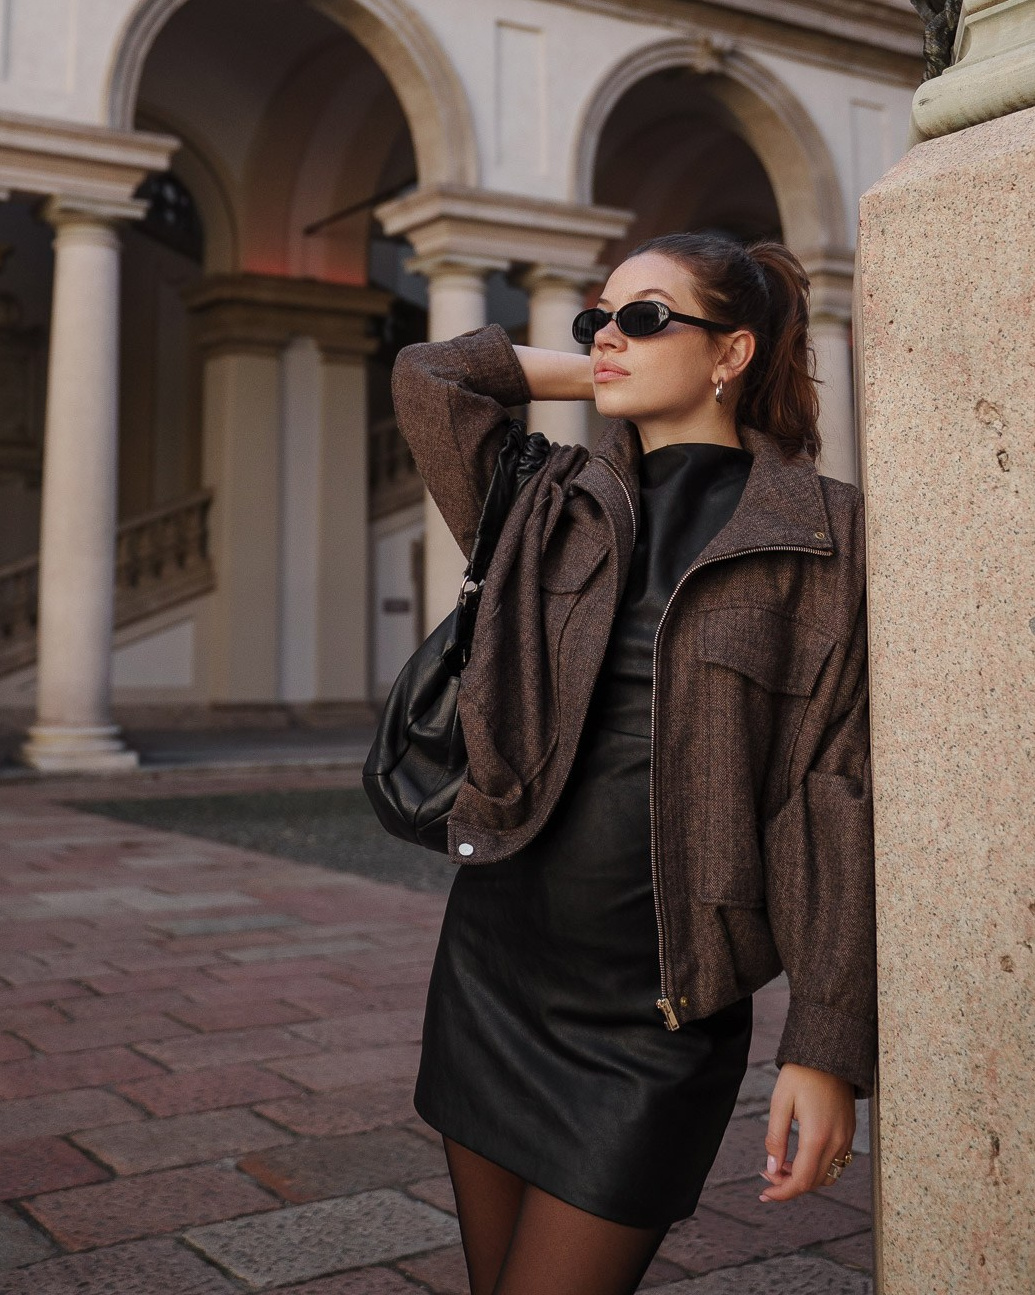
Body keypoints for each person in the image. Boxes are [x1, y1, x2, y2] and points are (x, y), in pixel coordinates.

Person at [389, 231, 876, 1295]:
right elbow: (431, 377)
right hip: (495, 967)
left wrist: (826, 1042)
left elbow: (830, 790)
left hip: (657, 1013)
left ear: (733, 352)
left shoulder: (829, 534)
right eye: (595, 318)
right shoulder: (539, 498)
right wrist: (606, 368)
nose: (607, 334)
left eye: (644, 316)